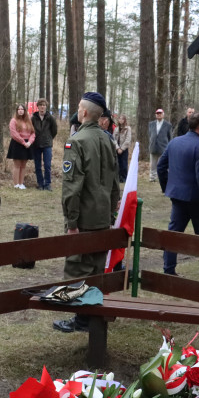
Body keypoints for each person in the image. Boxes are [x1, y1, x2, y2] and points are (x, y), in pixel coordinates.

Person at [53, 92, 120, 333]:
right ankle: (90, 317)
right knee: (95, 269)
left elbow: (72, 188)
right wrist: (112, 213)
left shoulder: (77, 141)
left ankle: (80, 319)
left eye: (79, 107)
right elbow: (115, 183)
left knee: (76, 269)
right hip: (102, 218)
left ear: (83, 112)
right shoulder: (107, 140)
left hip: (84, 219)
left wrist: (72, 223)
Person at [157, 111, 199, 276]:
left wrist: (167, 187)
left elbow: (161, 166)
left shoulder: (174, 142)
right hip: (195, 198)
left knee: (173, 234)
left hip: (177, 196)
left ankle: (168, 269)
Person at [30, 98, 58, 190]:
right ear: (37, 106)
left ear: (46, 106)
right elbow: (30, 130)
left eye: (44, 105)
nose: (42, 107)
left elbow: (54, 131)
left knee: (47, 165)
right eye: (40, 105)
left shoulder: (50, 118)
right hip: (36, 144)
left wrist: (49, 138)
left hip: (47, 145)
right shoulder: (33, 118)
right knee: (37, 165)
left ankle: (47, 184)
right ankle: (40, 183)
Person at [6, 103, 34, 189]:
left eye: (22, 109)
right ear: (17, 111)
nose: (21, 111)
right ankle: (16, 184)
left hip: (27, 145)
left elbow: (33, 133)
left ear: (25, 111)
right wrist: (23, 142)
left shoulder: (28, 121)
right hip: (17, 144)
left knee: (23, 165)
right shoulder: (13, 121)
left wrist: (29, 142)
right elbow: (14, 133)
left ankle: (21, 183)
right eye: (19, 109)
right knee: (17, 165)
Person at [148, 108, 172, 182]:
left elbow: (170, 137)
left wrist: (169, 147)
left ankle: (163, 177)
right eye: (157, 113)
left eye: (160, 113)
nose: (159, 115)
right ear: (155, 115)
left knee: (163, 164)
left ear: (163, 115)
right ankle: (152, 177)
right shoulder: (151, 124)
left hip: (163, 147)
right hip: (153, 146)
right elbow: (149, 134)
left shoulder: (168, 125)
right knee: (152, 164)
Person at [114, 113, 133, 182]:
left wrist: (122, 148)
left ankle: (124, 177)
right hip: (117, 148)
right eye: (120, 118)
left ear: (125, 120)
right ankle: (118, 177)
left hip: (124, 149)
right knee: (117, 163)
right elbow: (114, 139)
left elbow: (128, 140)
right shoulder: (116, 129)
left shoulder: (128, 129)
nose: (120, 120)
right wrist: (117, 148)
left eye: (122, 119)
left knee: (124, 164)